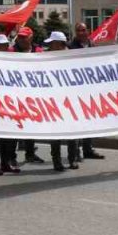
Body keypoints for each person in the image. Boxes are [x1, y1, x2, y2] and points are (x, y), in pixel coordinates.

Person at [65, 27, 106, 161]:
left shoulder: (92, 45)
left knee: (89, 120)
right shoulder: (70, 47)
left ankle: (88, 149)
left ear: (88, 31)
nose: (81, 33)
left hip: (89, 90)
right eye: (78, 30)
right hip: (74, 90)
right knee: (76, 121)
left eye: (83, 30)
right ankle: (75, 151)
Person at [43, 31, 81, 172]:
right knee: (55, 133)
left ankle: (72, 159)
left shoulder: (72, 57)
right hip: (53, 100)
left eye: (52, 43)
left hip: (70, 100)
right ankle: (57, 161)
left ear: (59, 44)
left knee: (72, 131)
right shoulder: (46, 58)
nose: (50, 46)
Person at [0, 34, 21, 176]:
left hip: (8, 102)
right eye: (1, 45)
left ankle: (5, 163)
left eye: (6, 45)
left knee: (8, 136)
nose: (4, 47)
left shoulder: (10, 60)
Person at [13, 28, 45, 164]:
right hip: (15, 94)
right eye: (20, 37)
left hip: (33, 95)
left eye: (24, 37)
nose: (21, 39)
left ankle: (30, 153)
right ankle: (11, 156)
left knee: (31, 125)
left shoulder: (38, 51)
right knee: (15, 126)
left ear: (31, 37)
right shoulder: (11, 52)